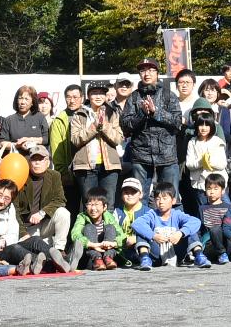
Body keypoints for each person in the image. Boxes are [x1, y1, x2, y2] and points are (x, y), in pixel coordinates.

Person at [122, 59, 184, 200]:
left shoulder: (169, 95)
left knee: (170, 198)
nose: (146, 74)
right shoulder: (133, 97)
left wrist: (156, 112)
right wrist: (142, 114)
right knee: (139, 199)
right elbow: (125, 125)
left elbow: (177, 123)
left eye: (151, 70)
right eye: (143, 70)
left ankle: (170, 222)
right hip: (141, 155)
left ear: (157, 73)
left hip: (167, 155)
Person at [14, 144, 71, 270]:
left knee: (63, 213)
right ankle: (50, 261)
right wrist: (22, 232)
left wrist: (42, 213)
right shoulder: (21, 176)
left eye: (41, 159)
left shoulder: (55, 175)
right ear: (29, 162)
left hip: (45, 224)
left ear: (47, 161)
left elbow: (60, 199)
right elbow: (15, 208)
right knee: (25, 249)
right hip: (27, 228)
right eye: (34, 159)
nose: (37, 163)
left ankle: (59, 251)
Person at [68, 83, 123, 211]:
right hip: (86, 167)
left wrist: (103, 126)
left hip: (109, 166)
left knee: (108, 204)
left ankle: (109, 231)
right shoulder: (79, 115)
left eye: (101, 93)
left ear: (105, 96)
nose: (98, 96)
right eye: (94, 93)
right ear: (88, 96)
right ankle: (90, 231)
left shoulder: (112, 113)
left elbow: (118, 138)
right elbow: (75, 139)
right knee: (90, 205)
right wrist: (93, 127)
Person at [131, 183, 208, 269]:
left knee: (190, 231)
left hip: (176, 252)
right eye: (157, 199)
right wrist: (153, 236)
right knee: (141, 233)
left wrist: (180, 233)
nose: (161, 202)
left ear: (173, 201)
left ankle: (199, 256)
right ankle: (145, 258)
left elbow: (195, 221)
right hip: (157, 255)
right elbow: (136, 224)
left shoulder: (177, 214)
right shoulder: (152, 214)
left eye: (164, 198)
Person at [70, 190, 127, 270]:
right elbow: (74, 235)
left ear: (105, 207)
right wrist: (93, 245)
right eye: (89, 204)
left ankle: (108, 258)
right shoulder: (82, 217)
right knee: (89, 227)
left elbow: (123, 236)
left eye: (97, 204)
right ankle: (98, 260)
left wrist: (113, 243)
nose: (93, 208)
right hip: (91, 258)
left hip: (109, 255)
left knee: (110, 227)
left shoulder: (109, 216)